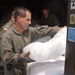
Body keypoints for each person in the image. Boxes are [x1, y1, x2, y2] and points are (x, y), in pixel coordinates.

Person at [0, 7, 61, 75]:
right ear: (19, 18)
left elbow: (42, 31)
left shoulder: (28, 32)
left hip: (25, 70)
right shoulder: (7, 36)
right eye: (27, 20)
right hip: (14, 72)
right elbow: (6, 57)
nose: (30, 22)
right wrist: (20, 57)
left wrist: (60, 29)